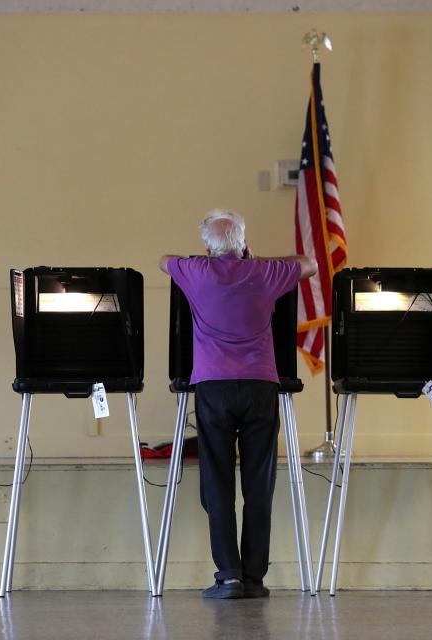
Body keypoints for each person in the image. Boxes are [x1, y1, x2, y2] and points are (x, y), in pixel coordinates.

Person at [159, 209, 317, 599]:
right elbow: (310, 264)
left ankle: (228, 576)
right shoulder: (264, 272)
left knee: (217, 481)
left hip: (213, 386)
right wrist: (254, 258)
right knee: (258, 483)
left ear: (208, 247)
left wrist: (206, 258)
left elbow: (162, 260)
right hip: (260, 386)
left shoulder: (196, 271)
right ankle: (254, 578)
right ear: (244, 243)